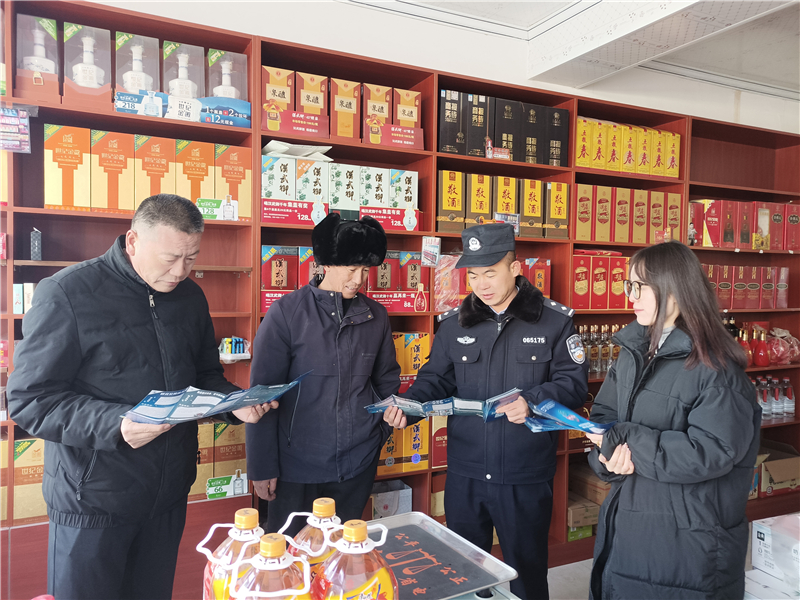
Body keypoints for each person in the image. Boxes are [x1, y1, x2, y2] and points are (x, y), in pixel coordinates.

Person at [7, 194, 274, 600]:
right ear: (132, 241)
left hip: (167, 495)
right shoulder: (68, 292)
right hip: (93, 500)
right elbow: (30, 400)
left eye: (191, 258)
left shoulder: (189, 297)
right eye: (170, 258)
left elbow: (205, 377)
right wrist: (117, 425)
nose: (180, 271)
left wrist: (236, 405)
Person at [384, 223, 588, 600]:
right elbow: (435, 379)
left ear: (515, 268)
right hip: (467, 471)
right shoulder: (454, 324)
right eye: (474, 275)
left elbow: (573, 384)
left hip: (524, 473)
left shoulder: (554, 322)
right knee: (463, 572)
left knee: (526, 573)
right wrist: (409, 406)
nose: (481, 284)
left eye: (490, 273)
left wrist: (533, 399)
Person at [585, 241, 760, 600]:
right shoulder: (633, 353)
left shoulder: (715, 369)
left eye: (640, 286)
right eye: (629, 285)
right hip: (630, 522)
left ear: (676, 289)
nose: (630, 296)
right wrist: (607, 458)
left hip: (687, 540)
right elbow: (604, 419)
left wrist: (626, 440)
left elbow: (711, 452)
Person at [247, 213, 401, 534]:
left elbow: (386, 382)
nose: (358, 279)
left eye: (366, 270)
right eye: (351, 268)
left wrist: (378, 435)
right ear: (326, 264)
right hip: (295, 467)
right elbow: (261, 396)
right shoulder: (286, 313)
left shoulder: (376, 316)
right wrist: (261, 466)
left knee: (343, 554)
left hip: (357, 464)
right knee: (290, 554)